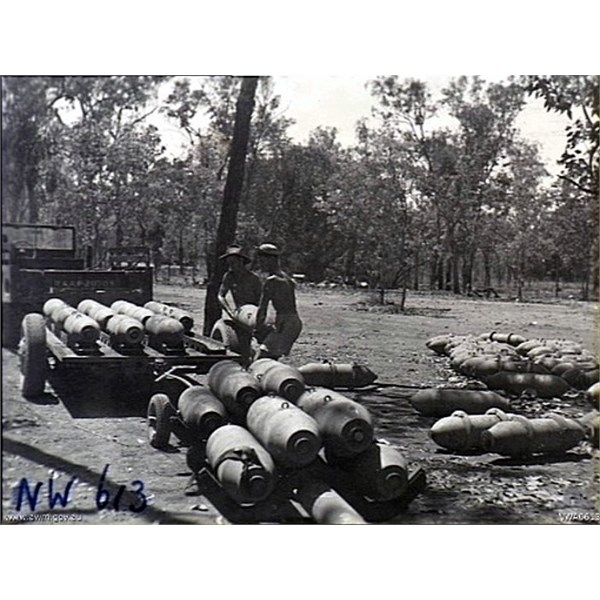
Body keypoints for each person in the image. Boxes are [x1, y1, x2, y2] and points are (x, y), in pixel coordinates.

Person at [254, 243, 303, 360]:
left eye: (263, 260)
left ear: (271, 259)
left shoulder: (271, 281)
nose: (261, 264)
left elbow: (263, 308)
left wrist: (257, 328)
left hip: (286, 323)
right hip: (293, 321)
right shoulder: (286, 278)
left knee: (261, 358)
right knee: (271, 358)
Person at [217, 245, 262, 361]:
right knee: (240, 342)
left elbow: (261, 300)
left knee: (256, 342)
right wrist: (230, 311)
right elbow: (220, 295)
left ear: (241, 261)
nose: (231, 266)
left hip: (253, 314)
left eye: (234, 262)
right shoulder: (229, 277)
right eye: (229, 263)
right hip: (238, 312)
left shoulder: (253, 279)